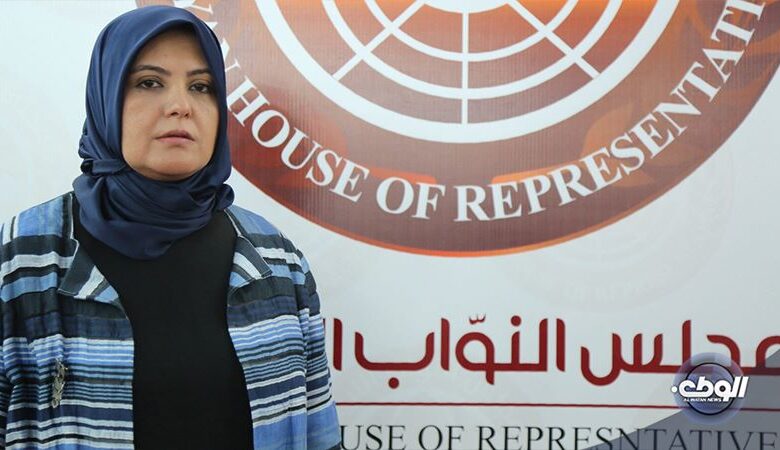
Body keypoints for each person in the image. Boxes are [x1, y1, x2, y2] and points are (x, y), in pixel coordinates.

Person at [0, 6, 340, 450]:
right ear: (105, 98)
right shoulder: (23, 258)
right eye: (149, 82)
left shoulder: (276, 262)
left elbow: (318, 436)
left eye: (201, 87)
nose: (180, 106)